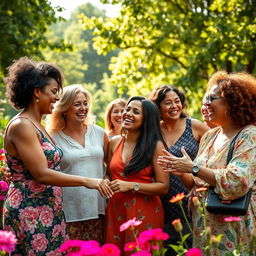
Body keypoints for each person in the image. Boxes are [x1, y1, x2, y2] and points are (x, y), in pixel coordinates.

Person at [3, 57, 112, 255]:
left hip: (48, 208)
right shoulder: (22, 126)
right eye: (53, 92)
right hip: (31, 209)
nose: (56, 98)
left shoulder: (37, 125)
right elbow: (42, 174)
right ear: (37, 92)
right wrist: (89, 181)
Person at [157, 71, 256, 255]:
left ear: (232, 102)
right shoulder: (210, 136)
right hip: (204, 227)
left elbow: (237, 181)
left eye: (212, 98)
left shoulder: (249, 135)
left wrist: (193, 168)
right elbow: (198, 180)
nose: (206, 103)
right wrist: (180, 170)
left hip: (233, 228)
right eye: (206, 98)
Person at [102, 96, 169, 254]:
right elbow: (108, 173)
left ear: (146, 120)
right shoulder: (114, 142)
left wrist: (131, 185)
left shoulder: (155, 146)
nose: (128, 113)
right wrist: (106, 181)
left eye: (136, 112)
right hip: (116, 209)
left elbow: (163, 186)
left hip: (144, 211)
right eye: (128, 109)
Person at [149, 85, 209, 255]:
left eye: (177, 101)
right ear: (158, 107)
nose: (174, 106)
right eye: (168, 103)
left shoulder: (194, 126)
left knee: (194, 246)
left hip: (193, 198)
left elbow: (219, 151)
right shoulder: (154, 132)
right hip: (163, 201)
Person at [46, 84, 109, 243]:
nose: (83, 108)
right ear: (65, 108)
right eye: (77, 104)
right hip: (69, 211)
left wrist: (106, 179)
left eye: (85, 103)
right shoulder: (52, 137)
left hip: (98, 208)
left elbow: (109, 166)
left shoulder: (99, 133)